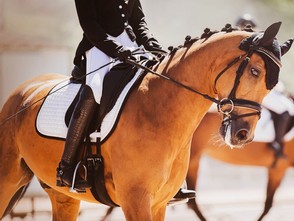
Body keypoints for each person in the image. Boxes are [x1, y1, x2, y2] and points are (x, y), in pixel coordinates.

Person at [57, 0, 196, 201]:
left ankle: (172, 177)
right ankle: (67, 167)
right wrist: (116, 49)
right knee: (94, 90)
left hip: (131, 46)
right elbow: (90, 26)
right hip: (99, 47)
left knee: (158, 85)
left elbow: (139, 24)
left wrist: (153, 46)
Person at [235, 14, 293, 159]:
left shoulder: (240, 44)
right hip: (251, 89)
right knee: (285, 110)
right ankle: (277, 144)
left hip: (245, 87)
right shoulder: (253, 45)